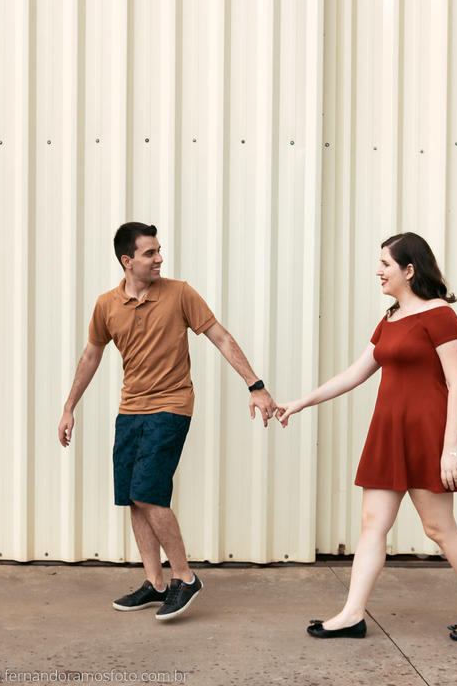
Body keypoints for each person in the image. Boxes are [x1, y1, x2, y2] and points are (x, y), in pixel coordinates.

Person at [276, 232, 457, 642]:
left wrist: (451, 449)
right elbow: (355, 373)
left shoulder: (440, 316)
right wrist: (301, 402)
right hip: (388, 433)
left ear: (409, 270)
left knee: (438, 529)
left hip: (428, 435)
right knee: (371, 524)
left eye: (385, 264)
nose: (378, 271)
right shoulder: (391, 317)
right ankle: (351, 614)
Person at [58, 222, 281, 621]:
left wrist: (256, 385)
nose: (159, 258)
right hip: (130, 409)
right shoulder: (106, 304)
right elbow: (90, 356)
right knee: (132, 494)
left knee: (148, 491)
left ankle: (185, 578)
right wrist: (69, 406)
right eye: (150, 253)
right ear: (127, 261)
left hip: (172, 405)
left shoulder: (180, 293)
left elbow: (221, 337)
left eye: (159, 251)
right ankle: (155, 583)